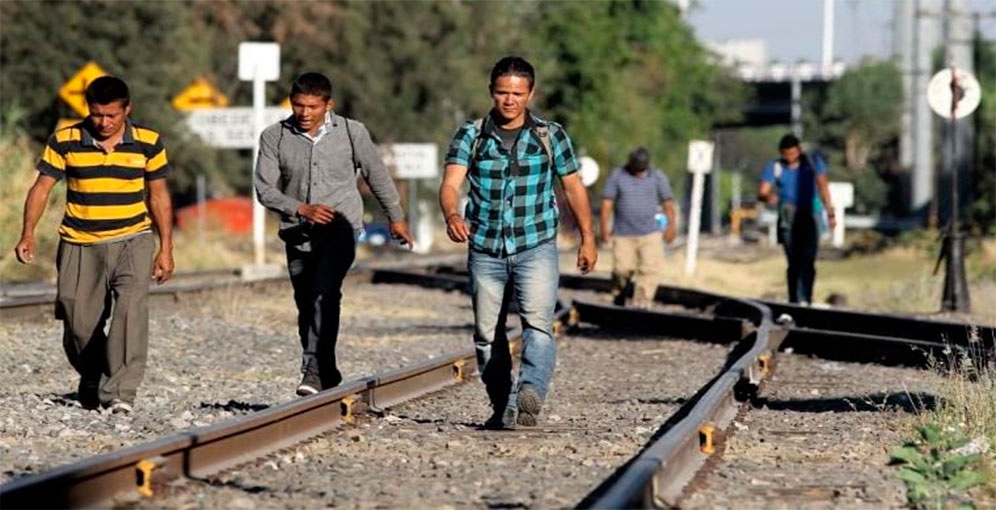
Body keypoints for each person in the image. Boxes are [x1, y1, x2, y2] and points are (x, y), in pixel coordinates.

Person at [438, 56, 597, 429]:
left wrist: (588, 238)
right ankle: (502, 404)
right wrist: (452, 215)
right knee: (485, 334)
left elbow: (573, 187)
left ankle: (530, 391)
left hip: (535, 244)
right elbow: (450, 184)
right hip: (485, 247)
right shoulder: (471, 135)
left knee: (538, 325)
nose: (509, 100)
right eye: (502, 93)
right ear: (491, 92)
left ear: (530, 94)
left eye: (517, 94)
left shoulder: (550, 135)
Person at [14, 76, 174, 414]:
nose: (104, 122)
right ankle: (94, 375)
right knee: (77, 319)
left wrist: (166, 248)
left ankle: (120, 392)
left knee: (130, 311)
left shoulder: (148, 142)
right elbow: (41, 188)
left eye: (111, 115)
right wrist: (28, 232)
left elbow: (158, 196)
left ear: (127, 110)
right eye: (97, 114)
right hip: (79, 241)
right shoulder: (65, 140)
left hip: (133, 239)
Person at [254, 72, 413, 397]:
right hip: (298, 232)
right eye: (298, 105)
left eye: (312, 106)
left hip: (342, 228)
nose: (304, 113)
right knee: (305, 301)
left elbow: (377, 174)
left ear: (328, 105)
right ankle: (326, 367)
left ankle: (312, 369)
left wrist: (396, 217)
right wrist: (301, 208)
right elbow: (264, 189)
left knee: (324, 292)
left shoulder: (352, 132)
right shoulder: (274, 137)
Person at [758, 134, 836, 305]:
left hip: (811, 212)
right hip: (789, 214)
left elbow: (823, 185)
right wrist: (768, 197)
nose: (790, 158)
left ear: (799, 151)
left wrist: (830, 212)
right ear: (781, 153)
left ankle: (807, 297)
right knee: (794, 259)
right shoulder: (775, 166)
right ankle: (794, 299)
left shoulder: (813, 163)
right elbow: (763, 191)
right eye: (786, 154)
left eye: (793, 154)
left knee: (808, 258)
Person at [599, 147, 677, 307]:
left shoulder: (657, 177)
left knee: (649, 269)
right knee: (621, 269)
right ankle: (619, 293)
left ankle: (642, 303)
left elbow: (668, 203)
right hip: (623, 233)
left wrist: (671, 227)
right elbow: (607, 203)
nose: (639, 172)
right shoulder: (618, 175)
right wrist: (604, 227)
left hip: (650, 233)